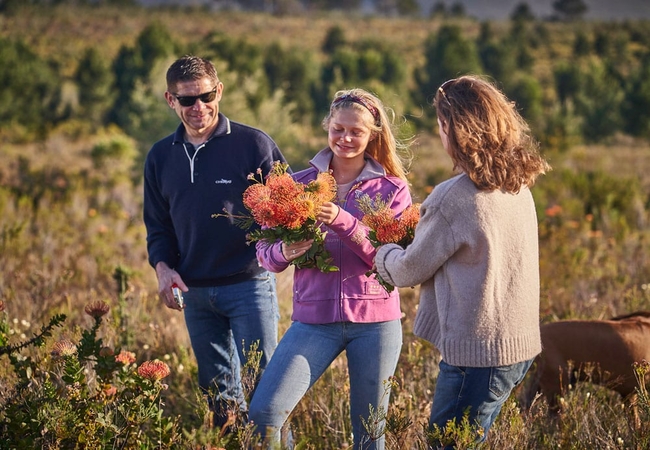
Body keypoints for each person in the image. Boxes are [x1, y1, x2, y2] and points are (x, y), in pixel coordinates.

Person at [374, 75, 550, 448]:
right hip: (517, 349)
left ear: (456, 130)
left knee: (446, 444)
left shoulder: (453, 197)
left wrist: (381, 251)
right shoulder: (517, 184)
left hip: (479, 355)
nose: (439, 134)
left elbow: (408, 270)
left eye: (441, 124)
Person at [249, 88, 413, 449]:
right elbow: (264, 252)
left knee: (369, 437)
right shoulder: (298, 185)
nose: (346, 138)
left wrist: (344, 221)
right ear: (327, 126)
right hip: (313, 321)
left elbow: (393, 259)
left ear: (373, 134)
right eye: (338, 129)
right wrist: (285, 251)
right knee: (264, 414)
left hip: (376, 324)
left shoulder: (393, 189)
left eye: (356, 131)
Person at [143, 55, 288, 429]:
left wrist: (282, 250)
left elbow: (291, 206)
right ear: (169, 100)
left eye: (206, 96)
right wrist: (163, 269)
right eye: (186, 99)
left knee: (264, 393)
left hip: (249, 286)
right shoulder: (160, 156)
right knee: (219, 400)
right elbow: (157, 226)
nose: (198, 107)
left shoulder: (253, 144)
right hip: (194, 291)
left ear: (219, 90)